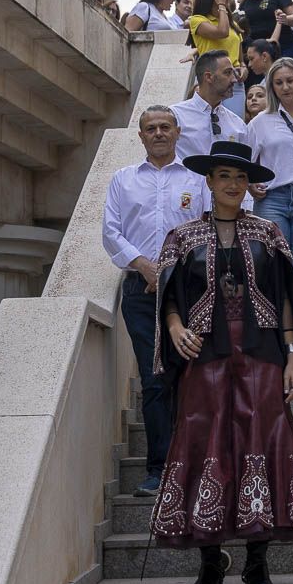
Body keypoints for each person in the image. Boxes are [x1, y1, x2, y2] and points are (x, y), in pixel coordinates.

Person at [150, 140, 293, 584]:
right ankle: (210, 562)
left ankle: (256, 562)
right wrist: (173, 326)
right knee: (205, 441)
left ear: (249, 185)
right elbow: (167, 296)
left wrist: (292, 358)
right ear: (208, 182)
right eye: (224, 176)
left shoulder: (268, 232)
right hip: (203, 357)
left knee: (261, 441)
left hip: (261, 356)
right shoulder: (182, 236)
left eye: (240, 178)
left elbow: (287, 297)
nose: (232, 184)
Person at [102, 106, 206, 497]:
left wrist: (175, 270)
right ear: (141, 136)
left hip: (192, 292)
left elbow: (207, 228)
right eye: (151, 128)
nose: (159, 133)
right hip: (140, 293)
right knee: (155, 378)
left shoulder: (197, 179)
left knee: (193, 378)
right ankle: (159, 470)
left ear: (178, 132)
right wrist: (145, 266)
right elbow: (111, 231)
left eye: (165, 127)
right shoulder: (122, 180)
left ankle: (195, 465)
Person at [247, 57, 293, 361]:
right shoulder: (260, 122)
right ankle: (274, 334)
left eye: (290, 80)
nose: (285, 87)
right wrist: (252, 185)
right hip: (273, 199)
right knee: (271, 267)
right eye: (278, 82)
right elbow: (246, 164)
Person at [170, 50, 251, 211]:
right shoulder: (174, 116)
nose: (234, 79)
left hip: (227, 210)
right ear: (208, 77)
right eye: (228, 73)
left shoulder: (237, 124)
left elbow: (244, 169)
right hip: (184, 206)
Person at [186, 0, 247, 117]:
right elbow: (222, 32)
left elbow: (239, 57)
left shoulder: (232, 23)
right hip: (210, 80)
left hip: (234, 81)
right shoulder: (197, 20)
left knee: (234, 126)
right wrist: (222, 6)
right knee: (206, 124)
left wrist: (244, 67)